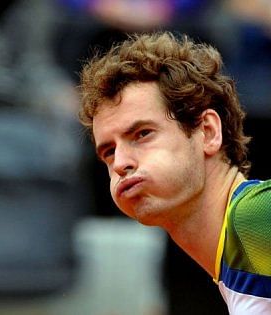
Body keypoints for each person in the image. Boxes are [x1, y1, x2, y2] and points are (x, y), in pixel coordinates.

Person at [77, 31, 271, 314]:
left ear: (207, 132)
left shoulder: (257, 217)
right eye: (108, 151)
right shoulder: (240, 251)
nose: (120, 163)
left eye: (142, 134)